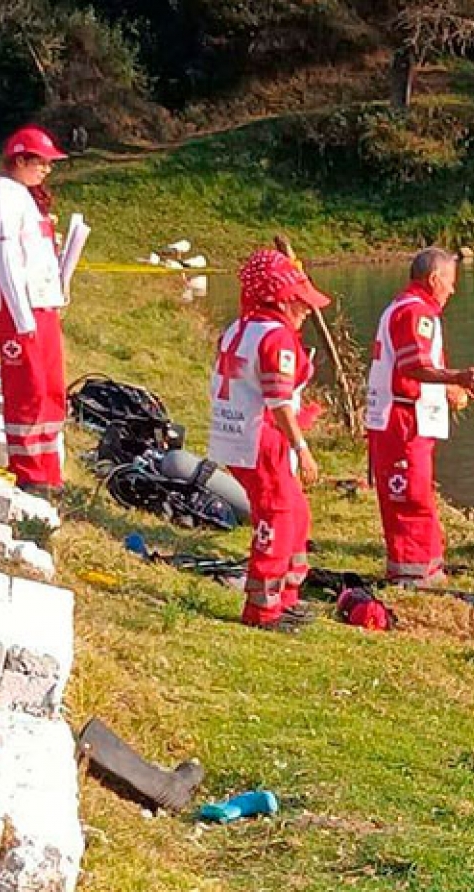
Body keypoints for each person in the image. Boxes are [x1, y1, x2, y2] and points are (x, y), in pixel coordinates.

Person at [208, 248, 329, 632]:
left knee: (296, 511)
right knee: (277, 516)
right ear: (279, 299)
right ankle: (262, 609)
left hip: (233, 434)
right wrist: (301, 448)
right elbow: (277, 401)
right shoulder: (276, 337)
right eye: (300, 301)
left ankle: (287, 595)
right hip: (259, 438)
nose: (307, 309)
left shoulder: (238, 328)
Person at [365, 247, 474, 584]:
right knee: (409, 496)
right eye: (450, 281)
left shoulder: (407, 307)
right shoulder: (416, 312)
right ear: (434, 279)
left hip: (405, 417)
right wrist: (458, 377)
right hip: (402, 420)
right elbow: (413, 366)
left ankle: (428, 566)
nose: (453, 290)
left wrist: (448, 387)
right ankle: (413, 573)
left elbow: (414, 366)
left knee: (416, 490)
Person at [0, 124, 70, 496]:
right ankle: (29, 471)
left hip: (41, 304)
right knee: (28, 389)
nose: (47, 169)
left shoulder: (23, 196)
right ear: (19, 160)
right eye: (41, 162)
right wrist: (21, 318)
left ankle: (49, 468)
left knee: (50, 387)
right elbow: (6, 260)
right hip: (19, 308)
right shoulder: (0, 196)